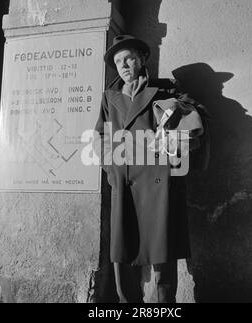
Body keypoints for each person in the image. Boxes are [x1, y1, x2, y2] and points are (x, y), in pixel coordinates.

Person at [94, 35, 209, 303]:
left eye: (129, 58)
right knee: (122, 249)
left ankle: (163, 304)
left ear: (142, 59)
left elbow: (197, 116)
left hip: (158, 185)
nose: (123, 65)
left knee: (161, 250)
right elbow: (100, 136)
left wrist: (178, 116)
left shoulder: (165, 90)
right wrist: (111, 169)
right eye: (118, 61)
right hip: (124, 182)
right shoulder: (109, 98)